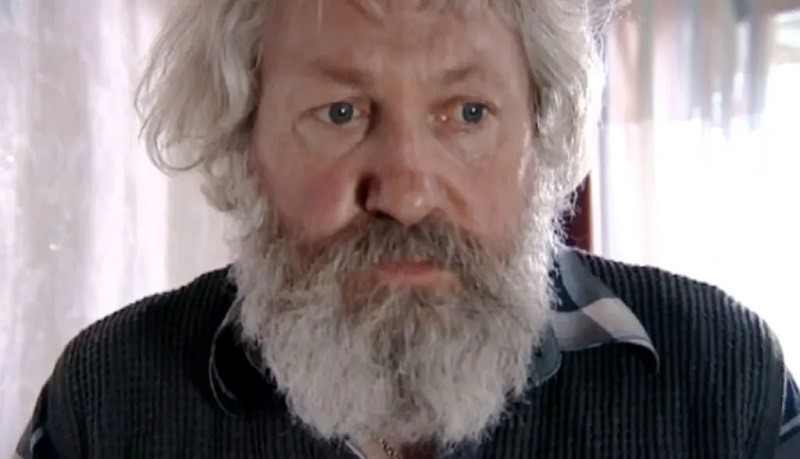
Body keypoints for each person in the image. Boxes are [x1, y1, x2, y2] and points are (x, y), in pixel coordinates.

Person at [16, 0, 800, 458]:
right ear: (243, 139)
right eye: (341, 112)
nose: (407, 193)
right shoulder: (109, 398)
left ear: (541, 134)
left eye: (468, 113)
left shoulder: (720, 379)